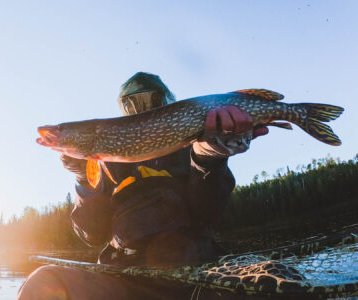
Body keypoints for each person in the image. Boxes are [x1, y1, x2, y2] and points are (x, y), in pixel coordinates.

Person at [17, 72, 268, 300]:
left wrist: (210, 156)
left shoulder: (192, 149)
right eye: (131, 103)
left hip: (196, 275)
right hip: (121, 279)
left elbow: (210, 213)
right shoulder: (108, 164)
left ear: (166, 101)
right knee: (43, 283)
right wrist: (85, 180)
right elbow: (91, 234)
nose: (141, 108)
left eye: (152, 100)